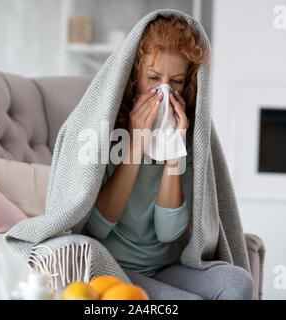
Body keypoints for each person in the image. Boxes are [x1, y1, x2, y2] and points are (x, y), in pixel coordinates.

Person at [82, 14, 254, 300]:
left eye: (175, 81)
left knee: (238, 282)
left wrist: (174, 152)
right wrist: (137, 143)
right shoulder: (107, 132)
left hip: (164, 267)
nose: (163, 92)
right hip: (110, 266)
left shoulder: (188, 138)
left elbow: (168, 232)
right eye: (152, 78)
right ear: (131, 78)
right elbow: (98, 227)